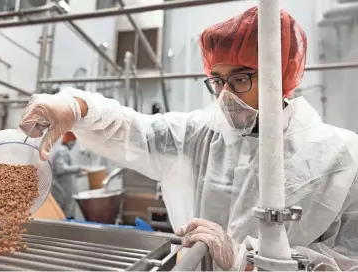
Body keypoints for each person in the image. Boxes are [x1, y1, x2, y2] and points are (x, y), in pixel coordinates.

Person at [20, 6, 358, 271]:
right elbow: (135, 131)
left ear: (280, 75)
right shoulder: (202, 133)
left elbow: (348, 259)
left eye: (240, 79)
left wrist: (248, 261)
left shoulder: (339, 157)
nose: (225, 96)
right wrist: (76, 108)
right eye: (217, 81)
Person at [50, 131, 86, 219]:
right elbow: (60, 169)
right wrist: (80, 168)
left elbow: (69, 173)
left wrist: (82, 173)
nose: (74, 144)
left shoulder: (65, 151)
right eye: (74, 141)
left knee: (65, 216)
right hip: (61, 192)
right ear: (71, 141)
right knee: (61, 217)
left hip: (66, 192)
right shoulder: (62, 151)